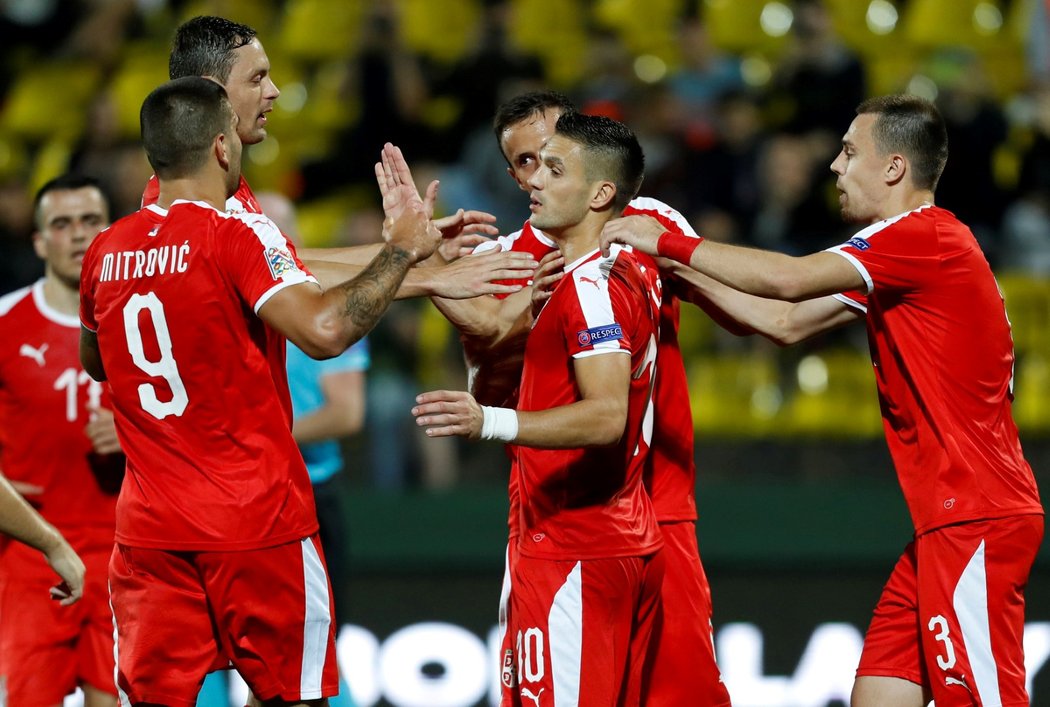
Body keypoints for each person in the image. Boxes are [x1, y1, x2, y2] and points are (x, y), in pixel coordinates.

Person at [601, 94, 1044, 707]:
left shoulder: (923, 236)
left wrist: (669, 244)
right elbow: (781, 321)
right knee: (879, 697)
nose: (834, 166)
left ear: (893, 168)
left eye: (849, 151)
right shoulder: (903, 259)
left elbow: (788, 280)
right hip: (945, 521)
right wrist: (682, 273)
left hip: (973, 514)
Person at [79, 76, 440, 706]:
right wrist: (401, 250)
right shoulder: (237, 233)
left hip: (150, 532)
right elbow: (326, 330)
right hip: (256, 520)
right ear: (223, 147)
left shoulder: (104, 251)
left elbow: (98, 361)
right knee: (293, 698)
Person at [428, 91, 731, 706]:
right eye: (524, 162)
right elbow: (486, 374)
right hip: (564, 520)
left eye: (553, 155)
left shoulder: (649, 223)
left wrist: (816, 297)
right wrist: (507, 308)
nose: (539, 170)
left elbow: (744, 312)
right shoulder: (502, 265)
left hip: (656, 509)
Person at [144, 15, 536, 302]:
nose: (274, 91)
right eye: (257, 78)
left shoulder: (223, 190)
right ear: (213, 91)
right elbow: (321, 329)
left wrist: (414, 252)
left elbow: (290, 261)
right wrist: (423, 274)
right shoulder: (191, 201)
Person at [0, 174, 122, 707]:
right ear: (39, 241)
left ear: (112, 230)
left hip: (128, 552)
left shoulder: (149, 316)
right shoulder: (4, 322)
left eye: (91, 221)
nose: (78, 236)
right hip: (32, 556)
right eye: (62, 224)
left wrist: (138, 432)